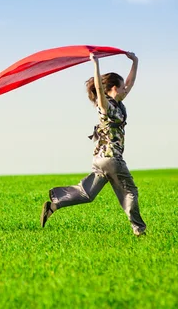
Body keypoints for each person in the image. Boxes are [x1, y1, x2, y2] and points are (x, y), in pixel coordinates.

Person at [40, 51, 147, 236]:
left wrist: (135, 62)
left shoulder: (118, 104)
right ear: (113, 88)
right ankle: (139, 231)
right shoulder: (105, 106)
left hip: (99, 159)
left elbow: (129, 83)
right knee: (129, 193)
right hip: (112, 159)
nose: (125, 89)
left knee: (86, 193)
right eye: (121, 87)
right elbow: (99, 88)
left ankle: (55, 203)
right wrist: (95, 64)